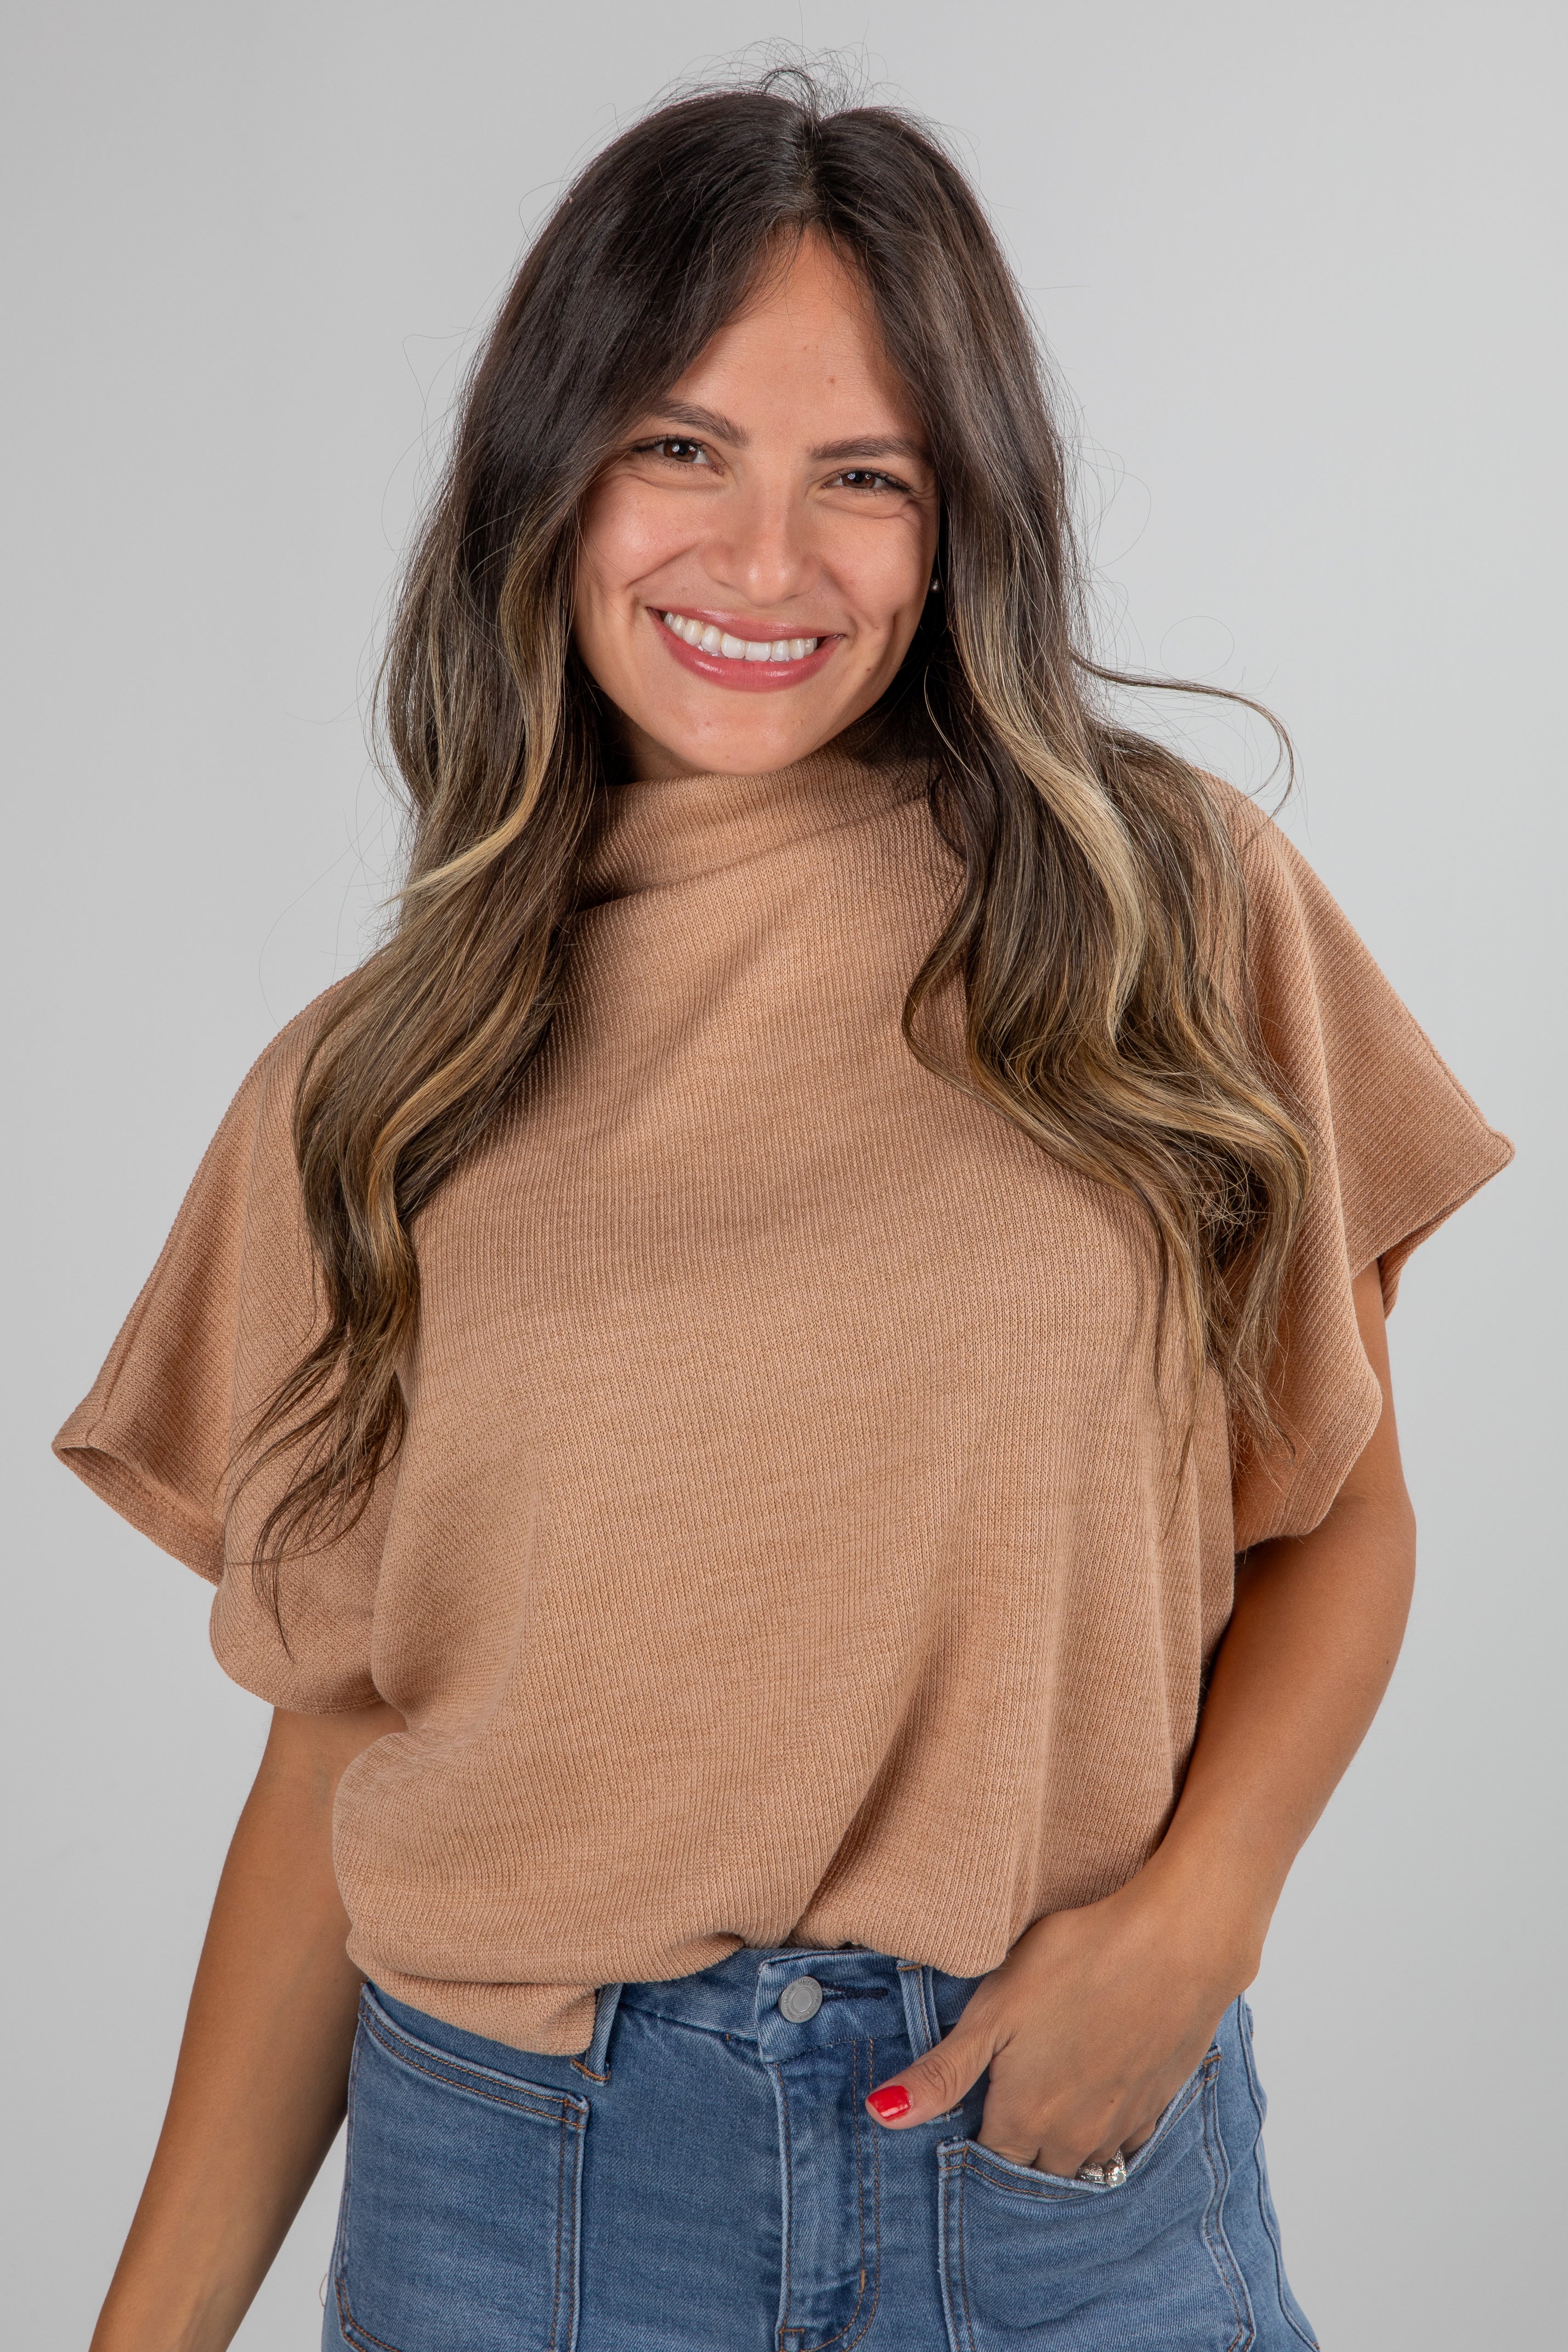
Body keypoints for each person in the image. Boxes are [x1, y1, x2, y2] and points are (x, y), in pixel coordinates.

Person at [56, 75, 1512, 2352]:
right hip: (523, 2198)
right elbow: (346, 1733)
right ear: (548, 481)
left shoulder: (1158, 904)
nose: (761, 560)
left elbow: (1335, 1511)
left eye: (862, 477)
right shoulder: (372, 1082)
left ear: (956, 531)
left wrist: (1197, 1918)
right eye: (677, 446)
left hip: (1058, 2171)